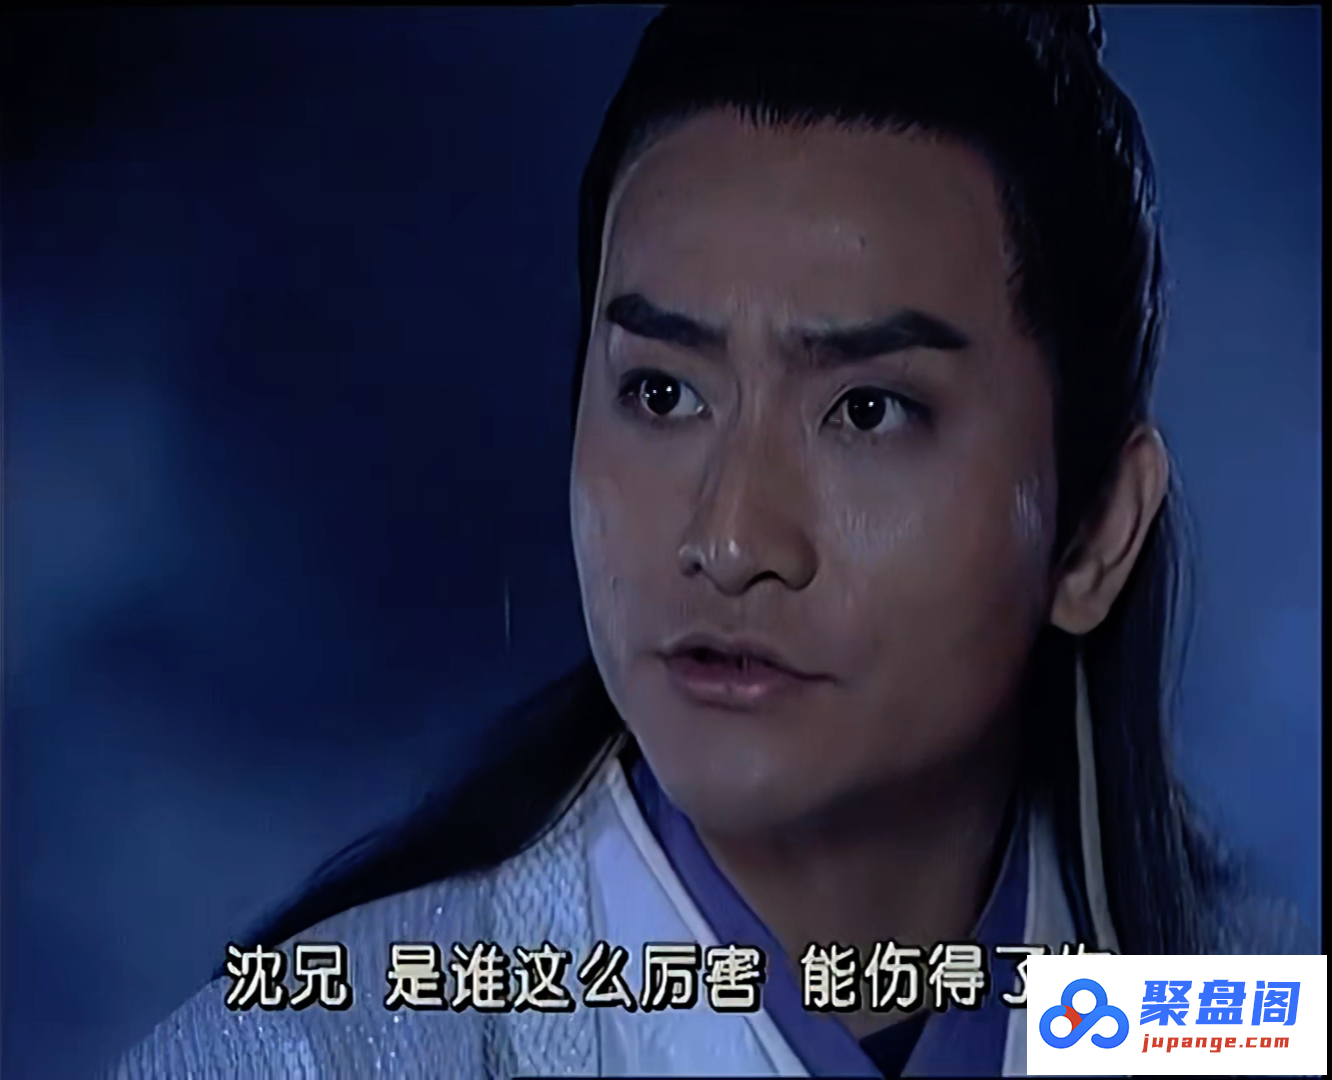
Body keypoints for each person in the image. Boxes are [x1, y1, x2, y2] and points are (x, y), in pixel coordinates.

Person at [115, 6, 1314, 1077]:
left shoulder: (1249, 1026)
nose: (732, 541)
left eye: (868, 410)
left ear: (1095, 529)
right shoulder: (302, 1055)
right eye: (662, 394)